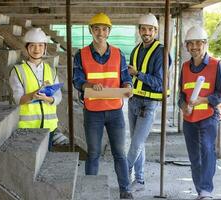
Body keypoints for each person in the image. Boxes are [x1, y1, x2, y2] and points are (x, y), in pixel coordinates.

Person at [72, 13, 133, 199]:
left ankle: (125, 190)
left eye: (104, 29)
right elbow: (77, 79)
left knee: (120, 153)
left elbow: (125, 78)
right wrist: (88, 85)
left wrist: (128, 86)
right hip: (93, 112)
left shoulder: (118, 53)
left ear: (109, 32)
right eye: (96, 28)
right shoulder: (81, 54)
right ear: (91, 30)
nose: (100, 32)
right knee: (93, 153)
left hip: (115, 111)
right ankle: (91, 192)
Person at [178, 26, 221, 200]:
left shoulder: (216, 65)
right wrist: (184, 105)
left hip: (208, 117)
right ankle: (200, 190)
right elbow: (181, 95)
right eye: (190, 43)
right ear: (186, 46)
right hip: (189, 118)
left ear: (205, 44)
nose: (195, 46)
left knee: (207, 151)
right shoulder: (184, 67)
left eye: (199, 42)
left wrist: (203, 101)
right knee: (194, 156)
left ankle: (206, 191)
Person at [127, 13, 171, 191]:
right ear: (139, 30)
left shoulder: (161, 52)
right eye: (143, 29)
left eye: (150, 29)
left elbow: (159, 82)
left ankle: (123, 172)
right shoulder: (136, 49)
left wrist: (137, 74)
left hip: (149, 103)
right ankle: (140, 180)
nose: (146, 32)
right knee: (139, 144)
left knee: (136, 144)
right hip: (134, 101)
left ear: (156, 31)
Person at [9, 28, 68, 150]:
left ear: (45, 48)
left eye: (41, 45)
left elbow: (58, 97)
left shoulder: (51, 71)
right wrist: (32, 95)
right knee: (30, 162)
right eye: (33, 46)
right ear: (26, 48)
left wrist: (50, 99)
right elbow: (17, 99)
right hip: (27, 127)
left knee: (45, 160)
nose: (37, 49)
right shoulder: (18, 71)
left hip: (49, 126)